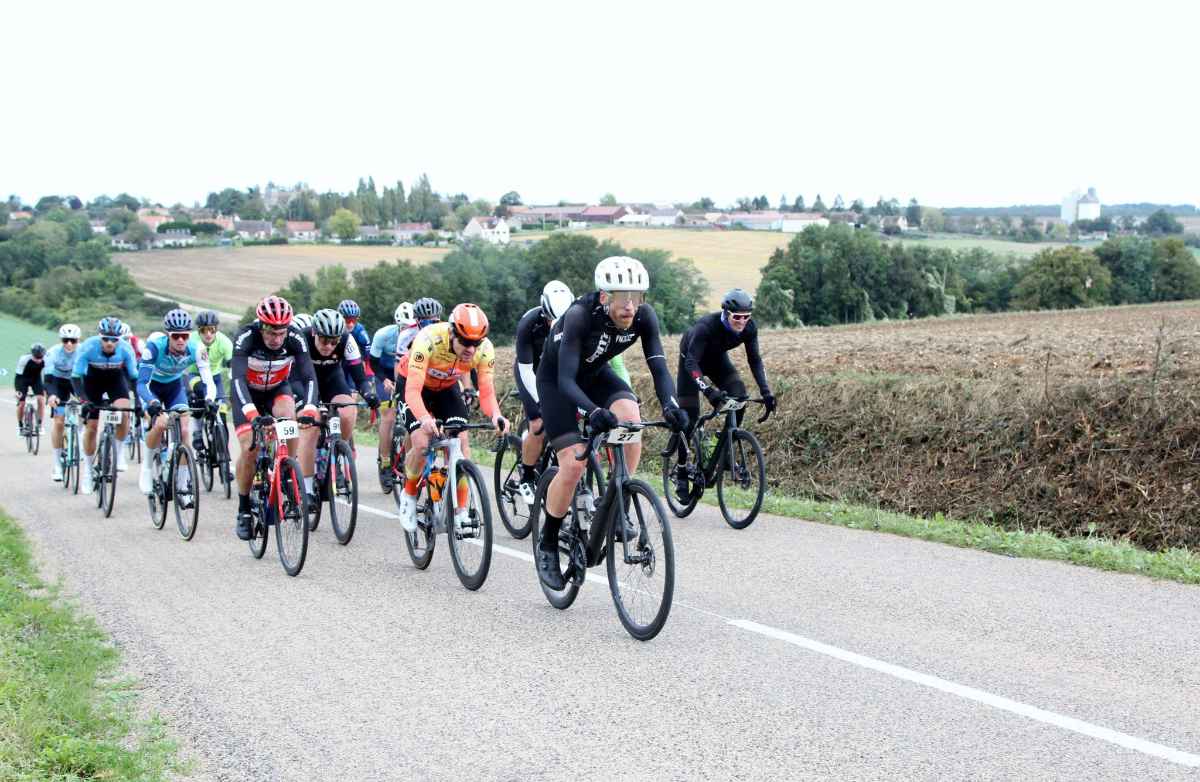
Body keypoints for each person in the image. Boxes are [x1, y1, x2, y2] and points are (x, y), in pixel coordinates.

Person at [533, 256, 688, 590]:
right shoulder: (578, 317)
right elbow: (566, 380)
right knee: (573, 462)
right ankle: (547, 541)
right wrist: (591, 411)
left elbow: (659, 367)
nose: (631, 306)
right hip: (559, 382)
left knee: (631, 420)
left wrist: (671, 405)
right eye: (623, 298)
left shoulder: (644, 317)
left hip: (594, 376)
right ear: (605, 297)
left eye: (637, 297)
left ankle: (618, 496)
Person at [394, 303, 508, 532]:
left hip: (446, 388)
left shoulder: (484, 349)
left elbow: (486, 391)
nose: (470, 349)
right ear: (452, 333)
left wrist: (496, 415)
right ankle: (409, 494)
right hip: (414, 386)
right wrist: (425, 418)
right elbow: (413, 391)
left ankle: (461, 512)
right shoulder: (428, 339)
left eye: (475, 343)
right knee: (421, 442)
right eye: (465, 342)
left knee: (462, 442)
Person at [671, 287, 776, 502]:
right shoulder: (706, 327)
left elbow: (754, 360)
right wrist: (709, 391)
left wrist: (766, 392)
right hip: (691, 363)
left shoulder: (749, 328)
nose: (742, 321)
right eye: (737, 317)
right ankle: (681, 470)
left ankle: (725, 449)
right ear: (726, 313)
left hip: (717, 361)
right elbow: (692, 363)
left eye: (747, 317)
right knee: (688, 420)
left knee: (740, 397)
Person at [230, 295, 319, 540]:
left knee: (290, 421)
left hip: (277, 390)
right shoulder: (246, 337)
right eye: (271, 333)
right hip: (247, 394)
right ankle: (244, 508)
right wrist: (252, 414)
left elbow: (309, 376)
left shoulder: (295, 337)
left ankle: (288, 473)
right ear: (261, 326)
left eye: (281, 333)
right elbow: (236, 379)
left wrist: (310, 408)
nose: (276, 339)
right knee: (250, 448)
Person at [296, 308, 378, 507]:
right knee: (310, 428)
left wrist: (368, 393)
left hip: (332, 378)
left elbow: (359, 377)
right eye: (324, 340)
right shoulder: (301, 338)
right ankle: (307, 490)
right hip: (304, 381)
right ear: (315, 332)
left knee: (348, 410)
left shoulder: (347, 340)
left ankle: (337, 451)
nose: (329, 346)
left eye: (334, 341)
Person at [136, 309, 217, 496]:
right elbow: (141, 384)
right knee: (160, 424)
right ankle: (147, 468)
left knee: (186, 430)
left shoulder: (197, 349)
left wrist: (210, 400)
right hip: (152, 388)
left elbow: (208, 380)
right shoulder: (154, 348)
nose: (181, 340)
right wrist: (152, 402)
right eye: (176, 336)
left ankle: (182, 483)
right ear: (168, 336)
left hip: (174, 388)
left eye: (185, 336)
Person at [511, 280, 575, 500]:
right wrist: (544, 402)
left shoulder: (577, 319)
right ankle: (527, 476)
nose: (554, 325)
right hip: (531, 370)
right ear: (544, 312)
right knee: (538, 423)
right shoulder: (529, 324)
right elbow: (526, 369)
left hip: (556, 371)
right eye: (550, 320)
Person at [70, 317, 139, 493]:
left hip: (115, 379)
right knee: (91, 427)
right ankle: (88, 470)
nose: (109, 343)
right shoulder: (88, 346)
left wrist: (138, 402)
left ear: (119, 339)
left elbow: (134, 378)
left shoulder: (125, 348)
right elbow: (76, 377)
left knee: (124, 413)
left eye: (114, 339)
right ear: (100, 337)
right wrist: (84, 401)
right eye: (106, 339)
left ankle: (118, 452)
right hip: (92, 381)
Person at [367, 302, 416, 490]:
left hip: (406, 373)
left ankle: (409, 460)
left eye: (411, 326)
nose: (408, 330)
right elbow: (373, 362)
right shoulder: (383, 335)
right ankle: (385, 463)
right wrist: (384, 380)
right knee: (387, 415)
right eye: (404, 327)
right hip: (384, 374)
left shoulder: (419, 335)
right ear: (397, 325)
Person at [188, 310, 234, 459]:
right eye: (203, 330)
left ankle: (224, 455)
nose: (208, 334)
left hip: (215, 377)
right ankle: (196, 432)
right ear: (198, 331)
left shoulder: (225, 342)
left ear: (217, 330)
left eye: (212, 330)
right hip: (195, 375)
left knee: (221, 411)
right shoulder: (192, 341)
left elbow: (232, 368)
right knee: (200, 398)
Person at [43, 324, 81, 482]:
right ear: (61, 340)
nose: (69, 344)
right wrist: (51, 395)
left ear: (78, 340)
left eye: (73, 340)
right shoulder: (53, 353)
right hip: (57, 383)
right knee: (59, 422)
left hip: (76, 381)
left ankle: (79, 436)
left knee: (87, 409)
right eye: (66, 340)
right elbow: (48, 379)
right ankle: (57, 465)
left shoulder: (83, 351)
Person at [337, 299, 374, 391]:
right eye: (347, 320)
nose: (350, 324)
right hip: (337, 362)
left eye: (354, 320)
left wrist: (368, 377)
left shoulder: (360, 332)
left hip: (353, 363)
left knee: (352, 391)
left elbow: (367, 357)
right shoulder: (335, 328)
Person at [14, 342, 47, 436]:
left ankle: (40, 425)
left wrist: (46, 388)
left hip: (36, 379)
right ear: (32, 354)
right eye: (36, 357)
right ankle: (20, 426)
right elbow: (18, 376)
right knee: (21, 403)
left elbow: (46, 375)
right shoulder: (24, 359)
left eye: (40, 357)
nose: (38, 360)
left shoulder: (45, 359)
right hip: (22, 379)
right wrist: (18, 391)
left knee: (41, 400)